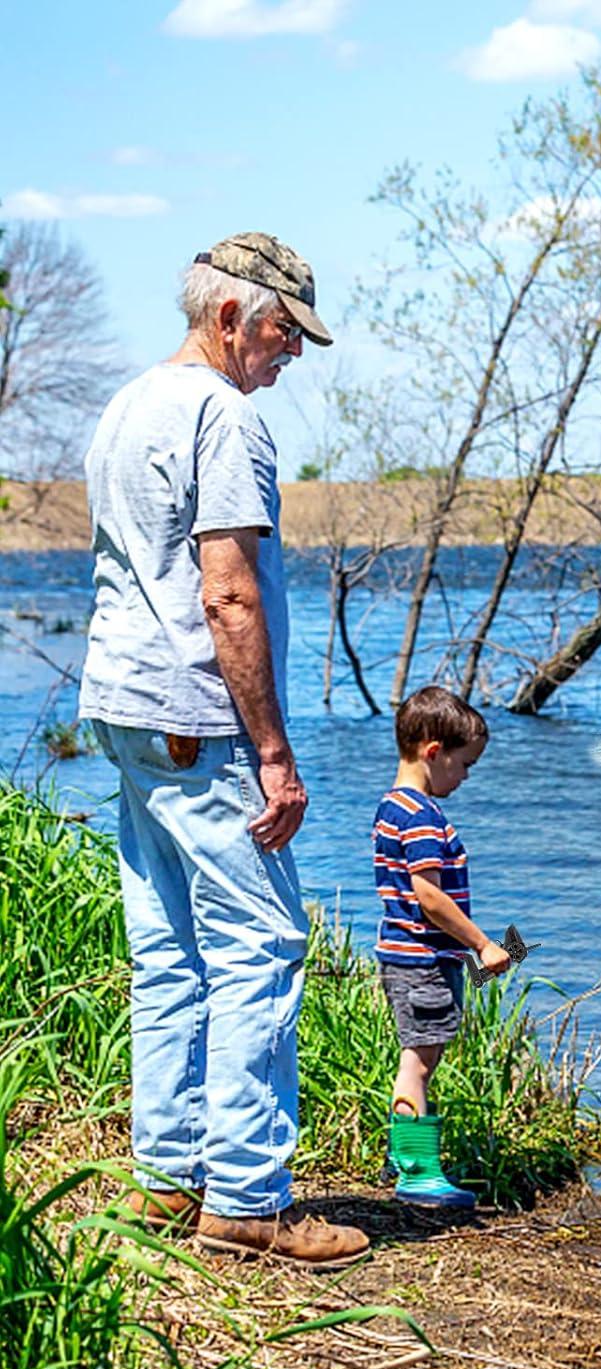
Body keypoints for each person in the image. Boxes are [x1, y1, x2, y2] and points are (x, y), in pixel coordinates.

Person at [80, 232, 368, 1266]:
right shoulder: (223, 416)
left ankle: (166, 1180)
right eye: (286, 333)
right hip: (196, 719)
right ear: (230, 317)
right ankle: (246, 1196)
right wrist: (275, 755)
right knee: (262, 945)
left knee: (167, 949)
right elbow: (228, 591)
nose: (291, 356)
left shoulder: (127, 404)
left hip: (122, 709)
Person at [373, 686, 511, 1208]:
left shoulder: (392, 807)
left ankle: (408, 1159)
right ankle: (416, 1173)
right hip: (423, 961)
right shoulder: (423, 816)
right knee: (419, 1063)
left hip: (405, 954)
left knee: (418, 1058)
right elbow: (428, 895)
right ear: (434, 752)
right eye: (465, 764)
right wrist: (482, 945)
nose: (467, 776)